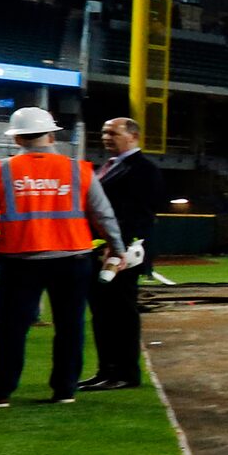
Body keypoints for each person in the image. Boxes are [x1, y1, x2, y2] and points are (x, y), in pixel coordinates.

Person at [0, 106, 125, 407]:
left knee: (11, 329)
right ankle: (65, 390)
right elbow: (103, 214)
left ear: (17, 139)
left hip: (19, 260)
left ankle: (1, 393)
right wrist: (118, 248)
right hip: (72, 259)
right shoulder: (78, 169)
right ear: (52, 135)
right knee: (70, 327)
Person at [85, 116, 164, 390]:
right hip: (100, 249)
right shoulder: (108, 167)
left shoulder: (144, 169)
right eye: (104, 132)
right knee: (102, 312)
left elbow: (140, 214)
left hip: (122, 253)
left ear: (133, 136)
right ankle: (106, 370)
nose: (106, 137)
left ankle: (126, 373)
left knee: (121, 312)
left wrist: (119, 250)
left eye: (112, 132)